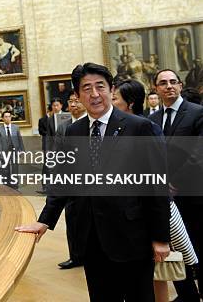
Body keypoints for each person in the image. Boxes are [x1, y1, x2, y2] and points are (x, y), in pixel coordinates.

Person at [16, 62, 170, 301]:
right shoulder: (74, 131)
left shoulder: (140, 128)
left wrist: (161, 238)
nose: (94, 94)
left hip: (131, 236)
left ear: (111, 89)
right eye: (86, 88)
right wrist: (44, 220)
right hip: (91, 237)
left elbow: (157, 186)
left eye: (100, 86)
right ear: (77, 96)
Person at [113, 78, 199, 302]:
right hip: (138, 208)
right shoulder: (140, 122)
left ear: (129, 103)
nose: (110, 103)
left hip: (158, 206)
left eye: (114, 99)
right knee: (154, 273)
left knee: (163, 267)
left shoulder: (142, 127)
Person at [149, 69, 203, 301]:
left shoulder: (197, 113)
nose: (169, 86)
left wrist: (175, 182)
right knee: (175, 248)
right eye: (163, 83)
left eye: (173, 82)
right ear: (156, 89)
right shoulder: (151, 120)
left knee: (198, 245)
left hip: (193, 194)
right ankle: (186, 295)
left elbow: (198, 153)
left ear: (180, 86)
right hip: (166, 199)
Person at [55, 92, 87, 270]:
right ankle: (75, 256)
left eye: (77, 101)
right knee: (72, 219)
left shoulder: (91, 122)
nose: (74, 104)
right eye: (71, 101)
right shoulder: (63, 127)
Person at [0, 110, 24, 188]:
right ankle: (7, 184)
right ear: (2, 118)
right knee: (5, 169)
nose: (8, 118)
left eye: (9, 116)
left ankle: (15, 184)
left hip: (14, 151)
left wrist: (21, 150)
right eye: (6, 117)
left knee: (15, 168)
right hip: (4, 151)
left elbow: (20, 139)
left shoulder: (15, 127)